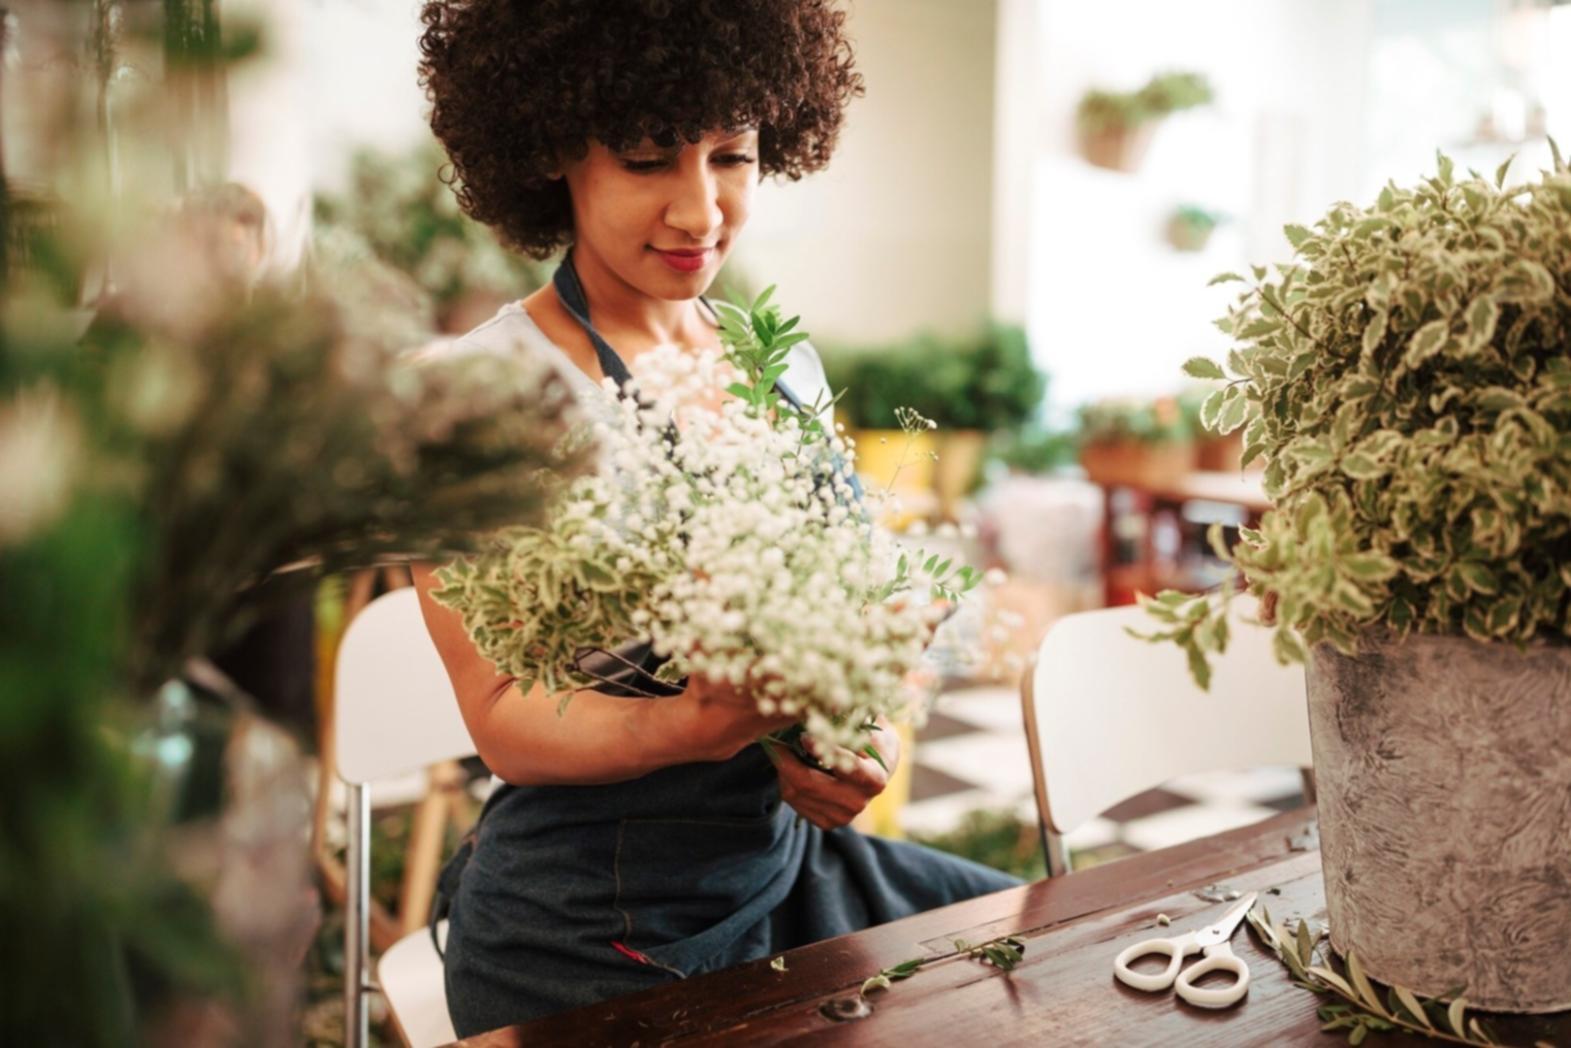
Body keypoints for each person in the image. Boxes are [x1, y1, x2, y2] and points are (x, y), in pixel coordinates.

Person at [412, 1, 1019, 1034]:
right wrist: (689, 724)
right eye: (649, 160)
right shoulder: (474, 400)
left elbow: (834, 614)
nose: (701, 214)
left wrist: (838, 736)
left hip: (789, 870)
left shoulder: (778, 367)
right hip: (585, 930)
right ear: (554, 150)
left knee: (1034, 967)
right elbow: (503, 715)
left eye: (730, 155)